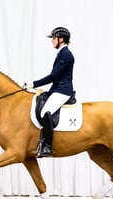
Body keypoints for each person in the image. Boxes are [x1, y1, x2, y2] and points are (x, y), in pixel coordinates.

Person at [24, 27, 75, 158]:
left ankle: (47, 146)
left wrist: (33, 83)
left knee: (45, 112)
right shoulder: (61, 53)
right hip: (57, 89)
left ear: (61, 39)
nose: (52, 41)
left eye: (53, 38)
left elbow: (53, 76)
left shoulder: (66, 55)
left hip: (63, 90)